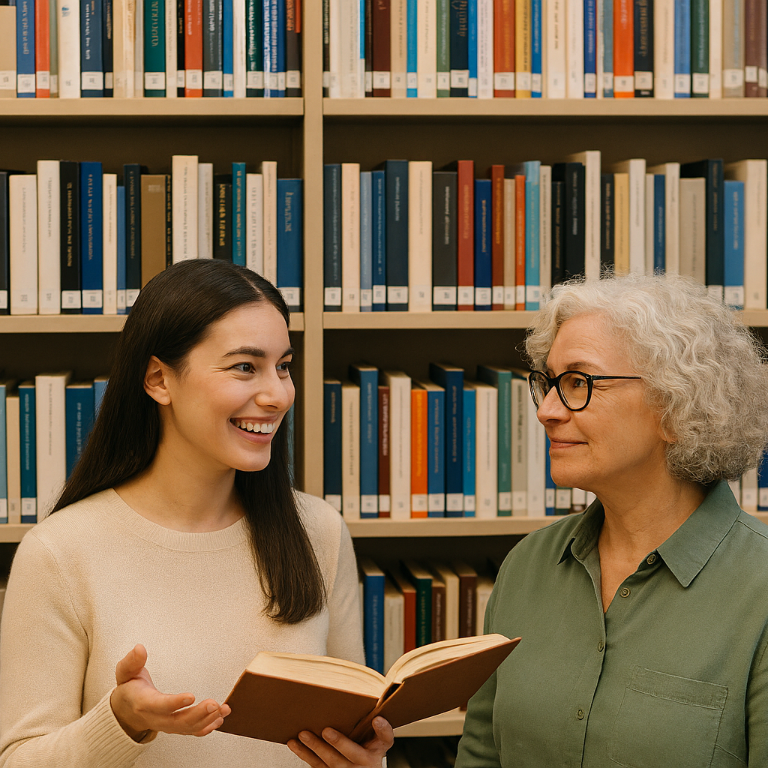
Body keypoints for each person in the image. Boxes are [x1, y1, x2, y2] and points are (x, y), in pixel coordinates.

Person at [0, 260, 393, 768]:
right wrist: (120, 720)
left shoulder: (319, 531)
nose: (277, 394)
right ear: (160, 380)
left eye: (284, 366)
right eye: (244, 367)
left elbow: (345, 731)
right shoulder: (60, 552)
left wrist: (365, 759)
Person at [455, 273, 768, 768]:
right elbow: (481, 755)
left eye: (579, 382)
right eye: (549, 383)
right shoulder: (528, 565)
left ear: (676, 404)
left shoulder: (760, 588)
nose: (548, 411)